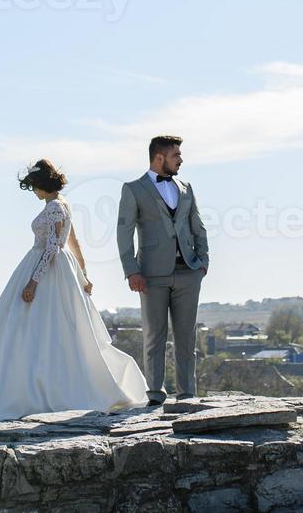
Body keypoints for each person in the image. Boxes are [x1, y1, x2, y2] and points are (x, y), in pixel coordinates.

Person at [0, 159, 148, 421]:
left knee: (34, 327)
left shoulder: (53, 208)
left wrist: (33, 282)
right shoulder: (64, 205)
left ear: (41, 185)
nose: (34, 193)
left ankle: (34, 390)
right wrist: (83, 275)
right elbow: (74, 243)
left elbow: (53, 247)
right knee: (60, 330)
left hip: (48, 269)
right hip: (63, 270)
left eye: (34, 187)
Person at [116, 135, 209, 405]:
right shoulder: (133, 189)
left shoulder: (186, 187)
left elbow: (197, 225)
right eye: (176, 155)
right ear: (160, 158)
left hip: (188, 272)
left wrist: (203, 261)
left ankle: (187, 395)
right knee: (154, 336)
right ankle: (155, 395)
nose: (181, 159)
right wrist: (131, 270)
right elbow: (124, 233)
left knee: (186, 338)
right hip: (150, 276)